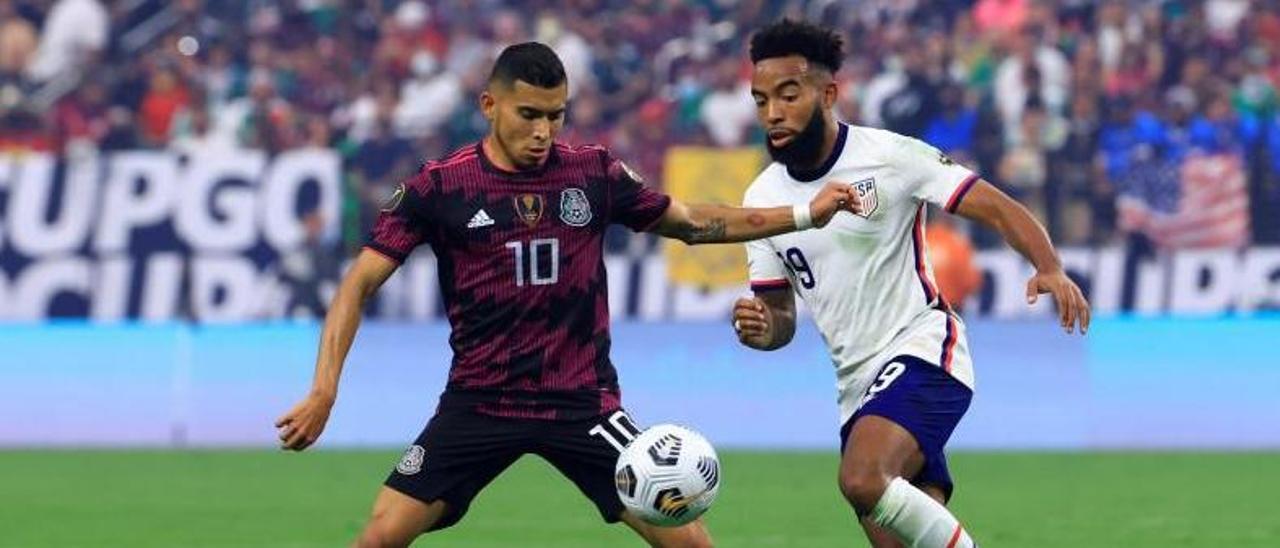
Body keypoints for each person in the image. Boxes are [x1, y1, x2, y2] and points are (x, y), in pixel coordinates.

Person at [275, 42, 857, 548]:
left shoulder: (593, 173)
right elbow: (358, 283)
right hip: (480, 402)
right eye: (529, 114)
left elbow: (692, 221)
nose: (543, 132)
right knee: (381, 535)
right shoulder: (439, 187)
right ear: (489, 106)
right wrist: (324, 390)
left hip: (583, 402)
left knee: (689, 538)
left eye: (555, 116)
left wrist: (804, 213)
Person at [730, 20, 1090, 548]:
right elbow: (780, 316)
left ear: (828, 94)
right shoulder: (762, 201)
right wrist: (763, 328)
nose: (772, 113)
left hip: (923, 348)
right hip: (857, 389)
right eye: (761, 100)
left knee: (860, 478)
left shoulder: (890, 156)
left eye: (788, 95)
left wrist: (1049, 266)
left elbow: (994, 204)